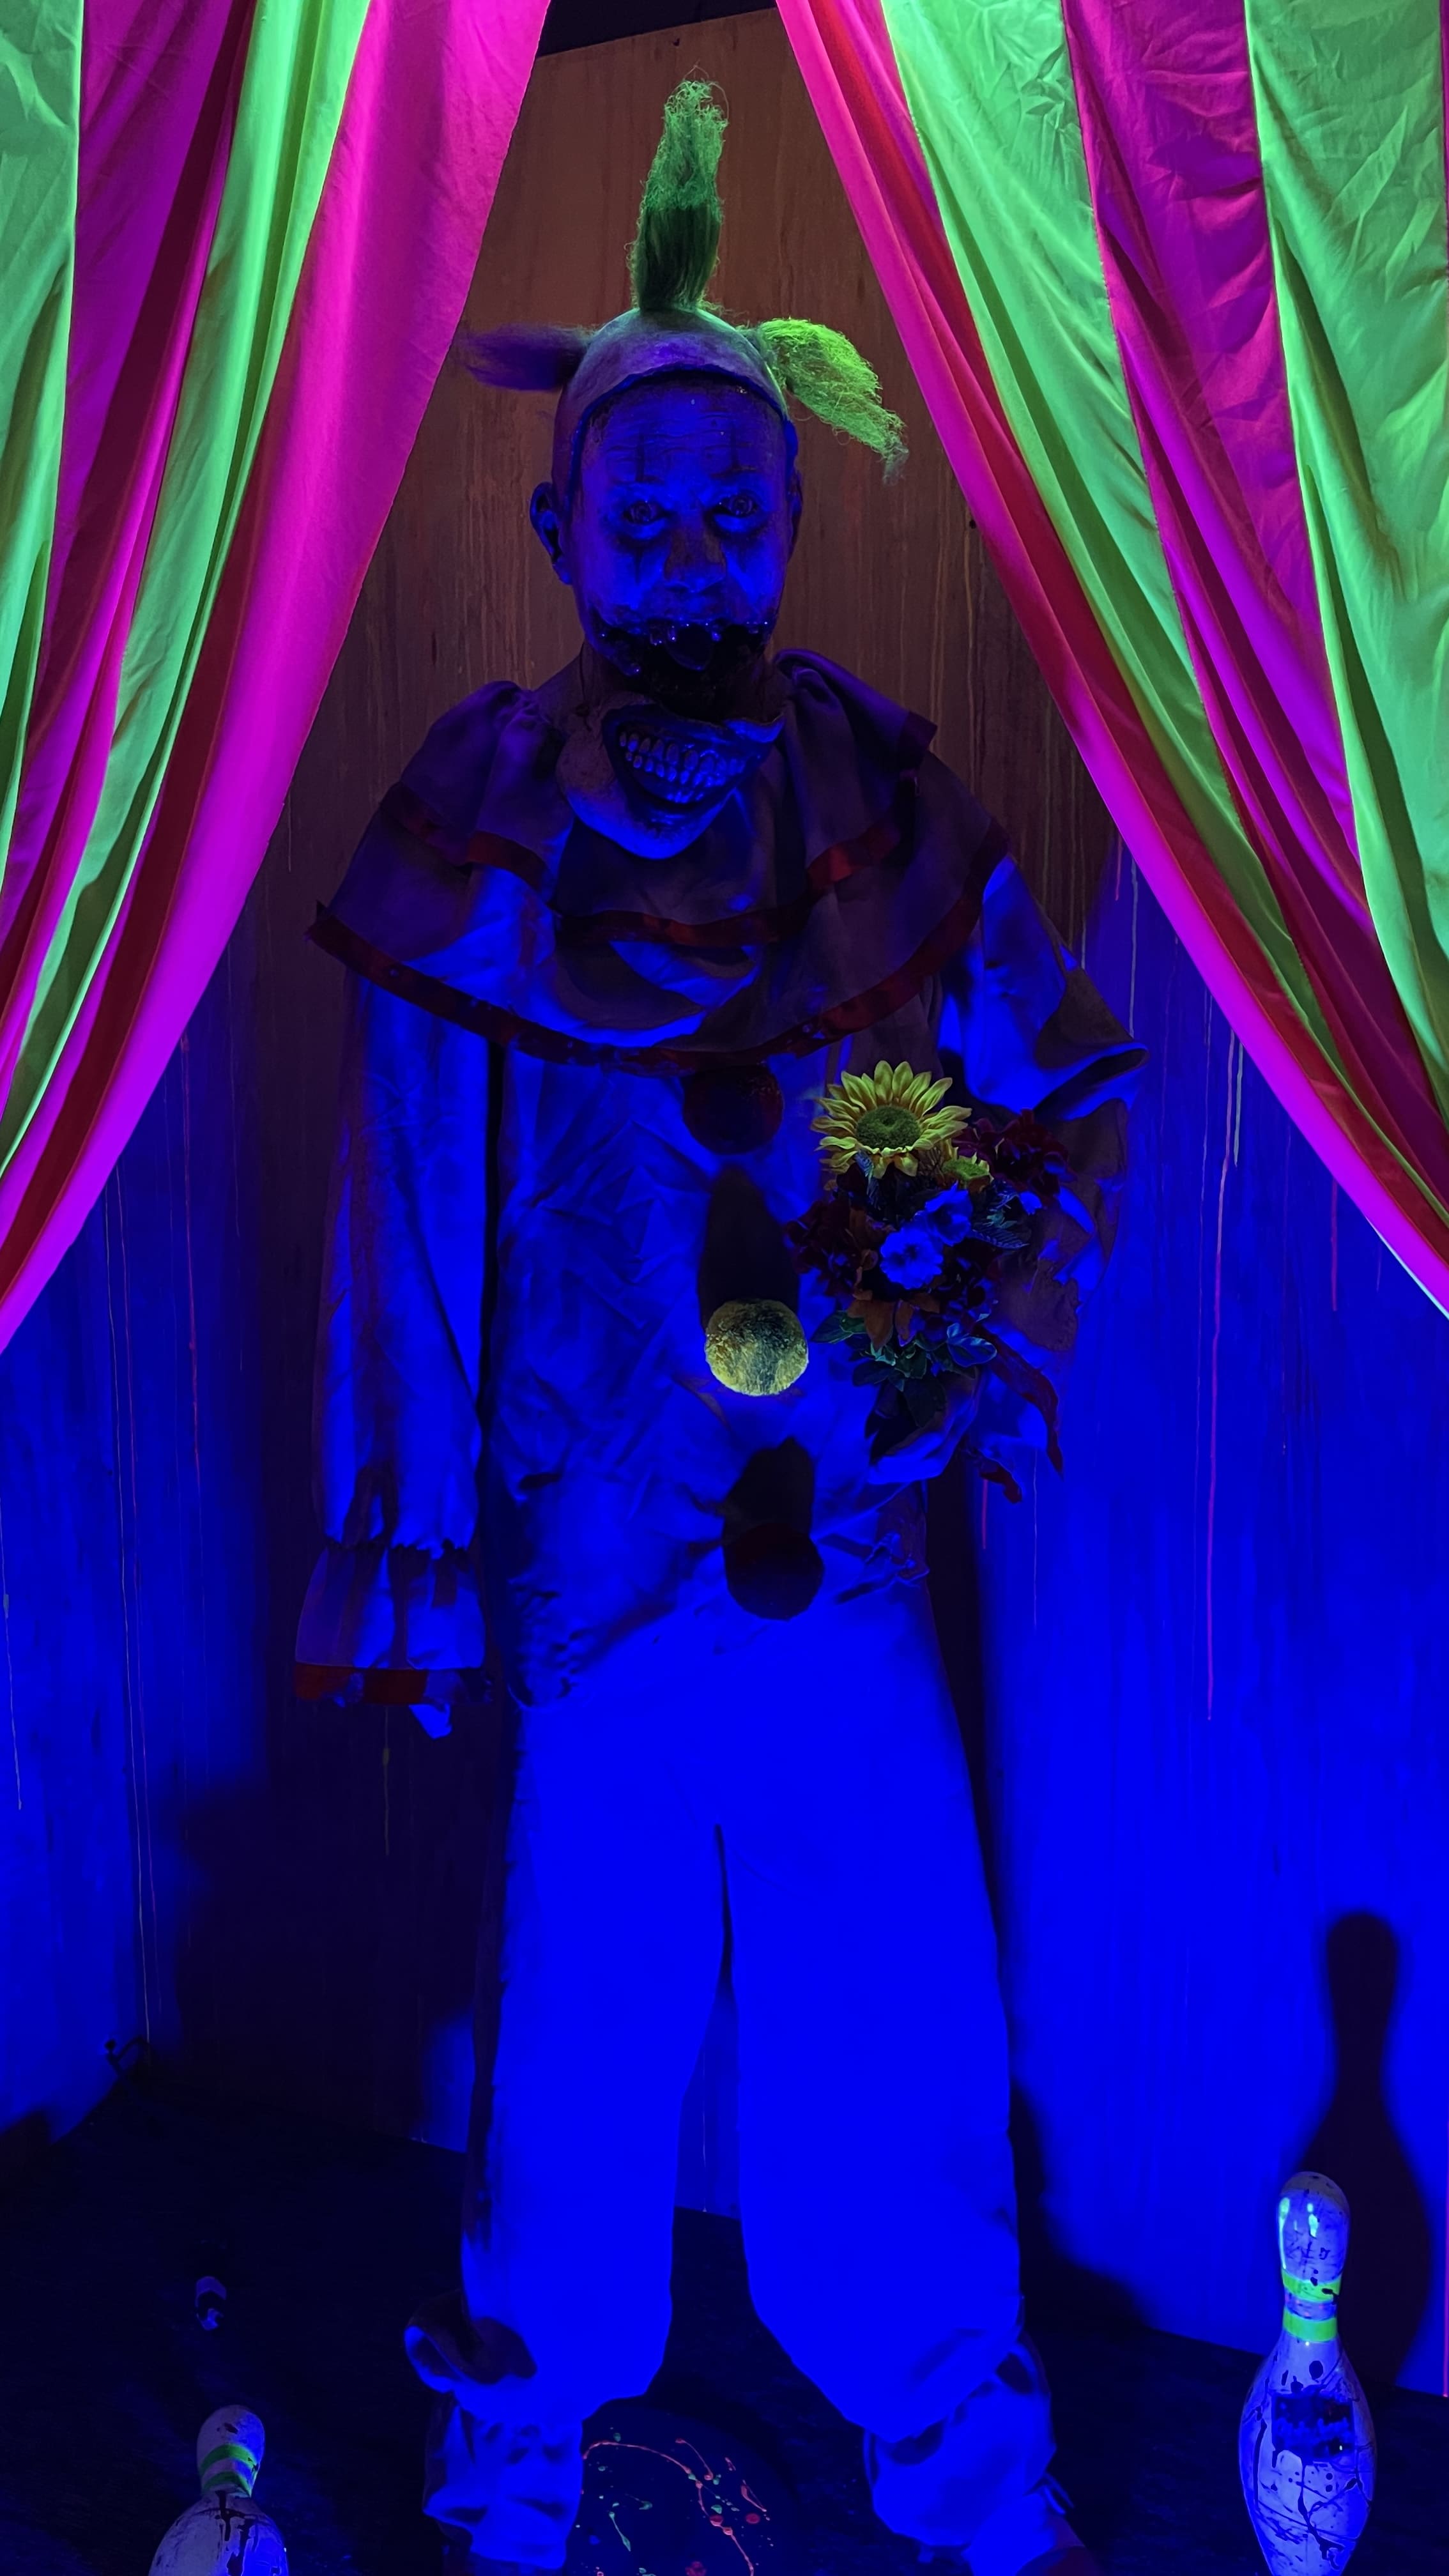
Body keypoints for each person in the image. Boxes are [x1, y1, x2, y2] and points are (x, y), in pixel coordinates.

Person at [296, 85, 1140, 2576]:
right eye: (642, 516)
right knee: (575, 2039)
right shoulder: (480, 812)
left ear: (790, 518)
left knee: (895, 2013)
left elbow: (1044, 1082)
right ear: (559, 530)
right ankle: (512, 2470)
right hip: (595, 1550)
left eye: (733, 513)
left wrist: (958, 1286)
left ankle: (966, 2464)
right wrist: (417, 1544)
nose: (690, 555)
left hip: (847, 1550)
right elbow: (403, 1209)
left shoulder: (881, 792)